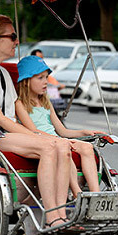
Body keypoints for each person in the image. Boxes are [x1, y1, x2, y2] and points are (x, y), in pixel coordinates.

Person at [0, 14, 76, 226]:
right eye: (12, 37)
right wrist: (35, 136)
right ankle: (52, 217)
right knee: (48, 147)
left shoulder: (3, 73)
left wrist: (43, 134)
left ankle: (61, 215)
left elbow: (17, 110)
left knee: (60, 145)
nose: (17, 42)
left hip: (6, 132)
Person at [16, 55, 101, 197]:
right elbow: (33, 131)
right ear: (26, 81)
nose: (46, 82)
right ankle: (77, 194)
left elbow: (62, 130)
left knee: (87, 147)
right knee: (65, 149)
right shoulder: (19, 104)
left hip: (57, 138)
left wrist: (84, 132)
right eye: (40, 78)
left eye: (46, 77)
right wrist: (62, 141)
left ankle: (96, 195)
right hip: (39, 141)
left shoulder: (45, 101)